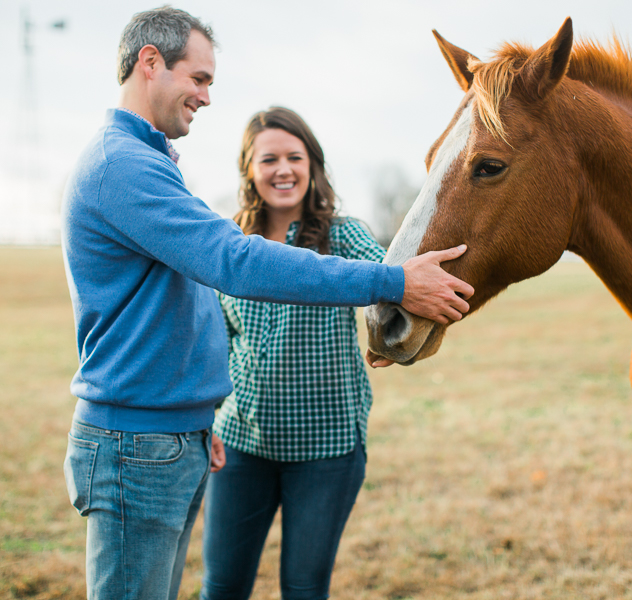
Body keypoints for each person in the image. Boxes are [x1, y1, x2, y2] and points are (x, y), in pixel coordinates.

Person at [60, 7, 473, 600]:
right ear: (150, 62)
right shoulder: (123, 166)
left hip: (181, 438)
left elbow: (200, 299)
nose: (205, 96)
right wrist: (393, 284)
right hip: (142, 444)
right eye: (199, 79)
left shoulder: (150, 162)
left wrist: (393, 312)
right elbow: (235, 262)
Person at [199, 107, 389, 600]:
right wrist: (206, 419)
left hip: (326, 451)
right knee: (221, 587)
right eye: (269, 159)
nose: (283, 169)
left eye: (294, 157)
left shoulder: (342, 234)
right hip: (241, 443)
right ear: (249, 169)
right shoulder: (227, 241)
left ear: (313, 166)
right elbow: (214, 342)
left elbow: (390, 286)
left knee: (304, 590)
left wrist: (390, 333)